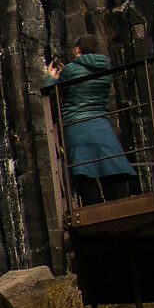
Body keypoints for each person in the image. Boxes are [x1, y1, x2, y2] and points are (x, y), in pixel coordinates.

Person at [44, 36, 137, 204]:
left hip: (77, 124)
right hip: (101, 123)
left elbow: (53, 92)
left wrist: (51, 77)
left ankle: (93, 206)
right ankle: (121, 202)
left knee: (83, 169)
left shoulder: (70, 70)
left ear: (78, 49)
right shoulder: (104, 68)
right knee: (111, 163)